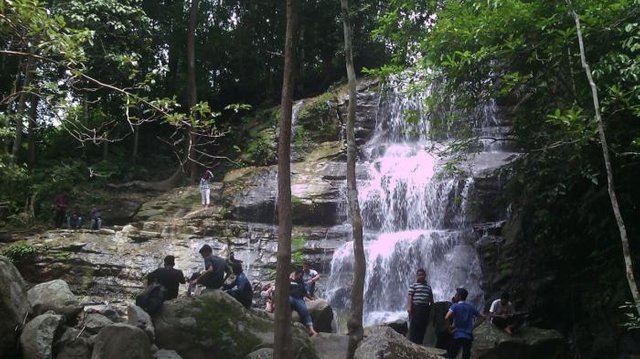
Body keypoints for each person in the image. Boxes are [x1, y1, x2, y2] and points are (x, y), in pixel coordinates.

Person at [445, 288, 486, 359]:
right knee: (466, 356)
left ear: (459, 296)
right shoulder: (470, 307)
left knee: (451, 355)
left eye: (456, 295)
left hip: (457, 335)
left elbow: (446, 317)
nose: (454, 296)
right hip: (468, 336)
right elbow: (482, 317)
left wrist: (449, 330)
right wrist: (473, 327)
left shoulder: (455, 306)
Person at [406, 268, 434, 344]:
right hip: (416, 308)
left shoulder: (428, 287)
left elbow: (431, 298)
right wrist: (409, 307)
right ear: (417, 276)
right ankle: (412, 342)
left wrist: (432, 307)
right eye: (419, 275)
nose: (421, 276)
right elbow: (410, 297)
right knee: (415, 326)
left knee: (423, 325)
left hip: (425, 308)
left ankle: (419, 342)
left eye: (422, 275)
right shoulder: (413, 285)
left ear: (425, 275)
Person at [290, 268, 318, 336]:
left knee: (305, 311)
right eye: (299, 275)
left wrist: (311, 299)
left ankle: (311, 330)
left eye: (301, 275)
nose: (300, 276)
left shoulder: (301, 283)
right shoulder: (289, 280)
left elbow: (305, 293)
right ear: (296, 274)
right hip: (290, 297)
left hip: (299, 299)